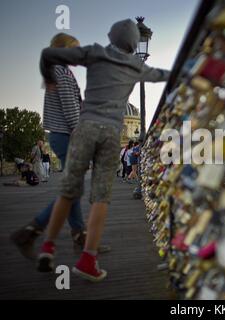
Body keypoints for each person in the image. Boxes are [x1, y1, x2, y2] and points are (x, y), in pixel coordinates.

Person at [37, 19, 170, 281]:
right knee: (101, 198)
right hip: (111, 133)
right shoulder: (136, 65)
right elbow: (164, 75)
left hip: (85, 127)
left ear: (110, 36)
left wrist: (47, 76)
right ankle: (88, 260)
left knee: (68, 190)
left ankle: (47, 248)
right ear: (133, 45)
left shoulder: (94, 52)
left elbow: (48, 54)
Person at [10, 33, 110, 260]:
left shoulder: (54, 71)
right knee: (71, 190)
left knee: (71, 189)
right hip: (68, 136)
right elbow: (70, 110)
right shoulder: (62, 73)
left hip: (61, 136)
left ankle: (79, 236)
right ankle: (30, 232)